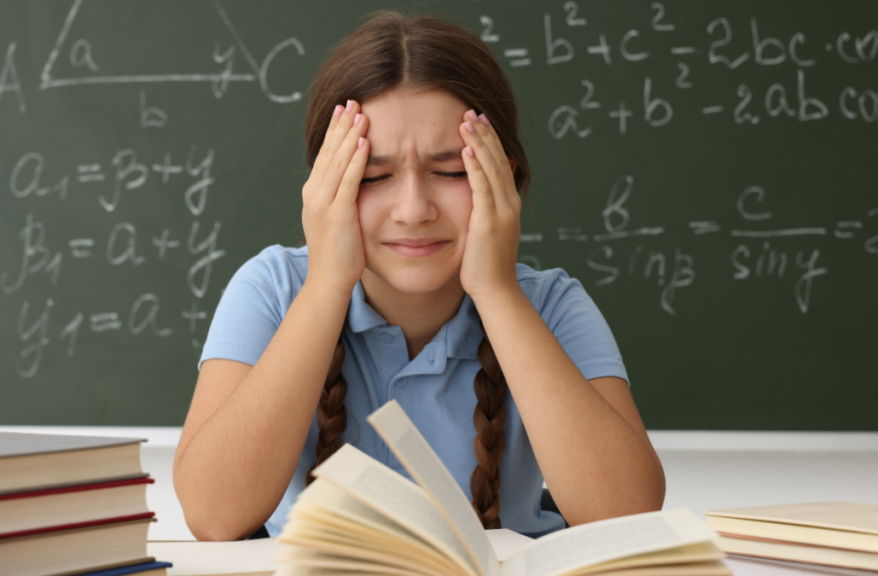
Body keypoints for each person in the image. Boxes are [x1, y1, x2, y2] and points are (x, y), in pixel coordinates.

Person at [173, 10, 665, 542]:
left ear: (507, 176)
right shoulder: (271, 289)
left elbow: (628, 518)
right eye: (375, 175)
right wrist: (327, 285)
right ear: (325, 186)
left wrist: (497, 292)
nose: (412, 209)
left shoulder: (550, 304)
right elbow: (213, 515)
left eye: (451, 172)